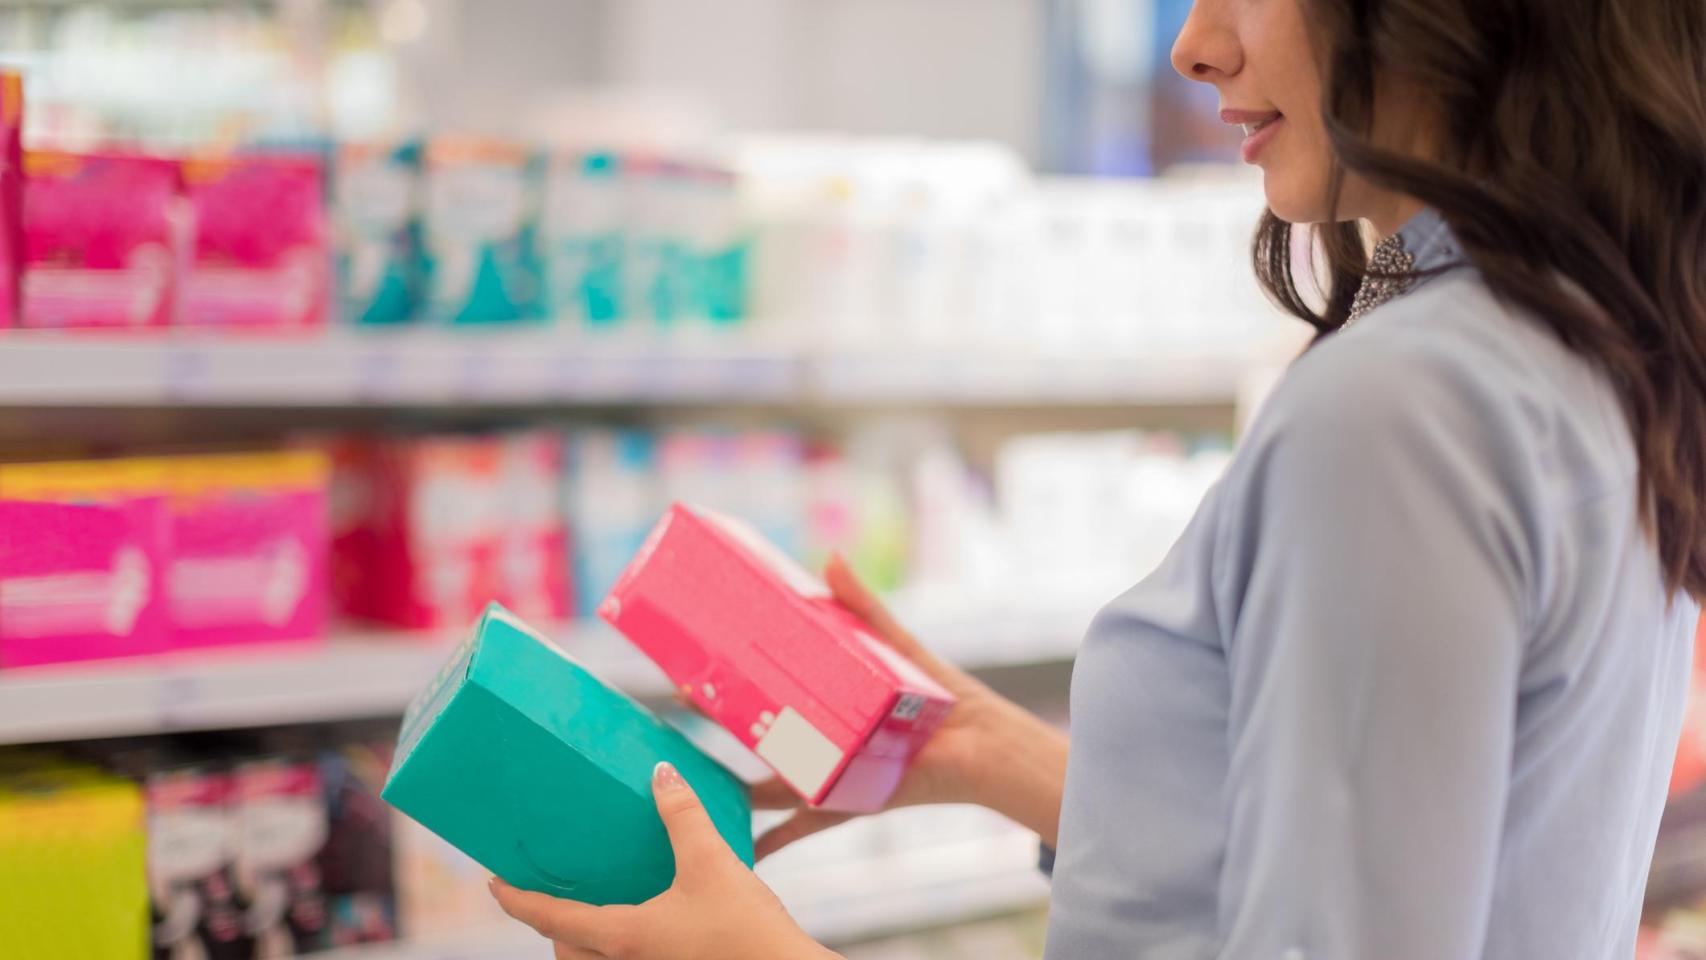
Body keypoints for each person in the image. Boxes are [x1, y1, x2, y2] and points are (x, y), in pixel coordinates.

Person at [489, 0, 1706, 955]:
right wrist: (985, 754)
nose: (1192, 46)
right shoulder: (1586, 345)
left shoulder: (1396, 407)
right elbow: (1431, 870)